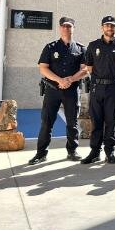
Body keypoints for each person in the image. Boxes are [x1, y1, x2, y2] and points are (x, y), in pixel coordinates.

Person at [29, 16, 87, 165]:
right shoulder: (50, 47)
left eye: (69, 26)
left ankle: (72, 151)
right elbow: (43, 68)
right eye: (64, 26)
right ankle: (41, 153)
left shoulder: (80, 48)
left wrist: (70, 79)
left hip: (72, 91)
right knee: (47, 122)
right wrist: (60, 80)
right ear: (60, 28)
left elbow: (85, 69)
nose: (66, 28)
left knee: (72, 122)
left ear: (73, 28)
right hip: (52, 90)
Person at [82, 16, 115, 164]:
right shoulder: (93, 45)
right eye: (107, 25)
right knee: (96, 121)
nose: (110, 28)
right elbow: (89, 67)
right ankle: (95, 152)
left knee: (110, 122)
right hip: (97, 88)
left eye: (112, 26)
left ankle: (110, 151)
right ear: (102, 27)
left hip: (114, 89)